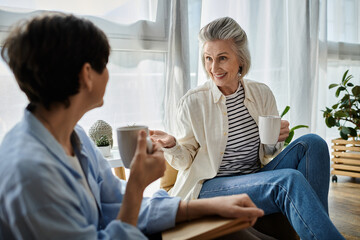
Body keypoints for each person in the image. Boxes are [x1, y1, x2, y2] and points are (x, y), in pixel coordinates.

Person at [0, 13, 266, 239]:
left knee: (232, 230)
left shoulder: (74, 137)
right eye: (104, 64)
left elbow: (117, 204)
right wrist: (138, 183)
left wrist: (205, 207)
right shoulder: (29, 174)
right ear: (86, 75)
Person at [150, 17, 345, 239]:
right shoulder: (193, 102)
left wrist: (274, 141)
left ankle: (318, 230)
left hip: (255, 176)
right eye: (208, 59)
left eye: (222, 58)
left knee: (314, 143)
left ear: (240, 60)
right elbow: (185, 162)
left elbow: (269, 155)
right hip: (209, 187)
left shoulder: (261, 94)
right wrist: (173, 145)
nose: (214, 68)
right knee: (288, 180)